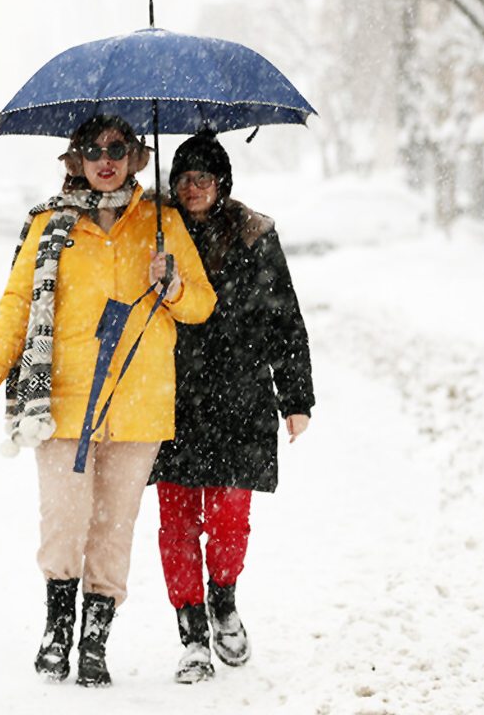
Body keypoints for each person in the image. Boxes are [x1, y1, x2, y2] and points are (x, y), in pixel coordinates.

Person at [0, 115, 216, 687]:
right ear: (75, 158)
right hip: (64, 401)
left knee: (114, 527)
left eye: (119, 149)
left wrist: (171, 283)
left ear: (135, 156)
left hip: (139, 402)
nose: (107, 159)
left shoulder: (161, 223)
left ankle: (95, 639)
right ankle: (57, 632)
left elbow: (201, 304)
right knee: (65, 519)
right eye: (94, 150)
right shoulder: (50, 225)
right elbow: (18, 304)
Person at [149, 131, 315, 684]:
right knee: (175, 522)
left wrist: (295, 398)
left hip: (238, 397)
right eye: (183, 178)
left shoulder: (254, 234)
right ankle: (191, 631)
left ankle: (223, 600)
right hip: (169, 398)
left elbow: (284, 319)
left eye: (203, 177)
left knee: (228, 519)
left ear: (222, 183)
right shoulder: (157, 233)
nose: (192, 188)